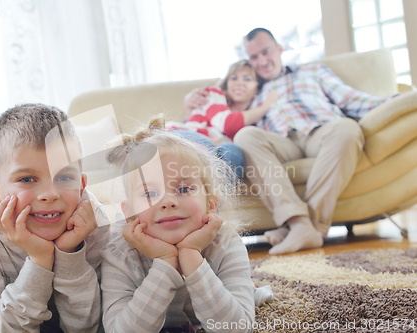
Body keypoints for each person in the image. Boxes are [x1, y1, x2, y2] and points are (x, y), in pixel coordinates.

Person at [184, 28, 396, 255]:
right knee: (245, 135)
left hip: (322, 131)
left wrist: (396, 101)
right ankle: (300, 225)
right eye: (254, 57)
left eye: (266, 52)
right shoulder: (251, 88)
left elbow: (352, 99)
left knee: (348, 128)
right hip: (281, 143)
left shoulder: (312, 71)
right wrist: (192, 99)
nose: (262, 61)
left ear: (279, 49)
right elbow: (222, 107)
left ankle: (301, 227)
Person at [0, 104, 111, 332]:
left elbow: (87, 327)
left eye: (63, 177)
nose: (50, 194)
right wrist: (40, 259)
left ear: (81, 186)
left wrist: (70, 255)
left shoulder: (92, 221)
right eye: (27, 179)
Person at [100, 115, 273, 332]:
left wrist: (191, 255)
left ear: (211, 204)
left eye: (183, 189)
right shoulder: (119, 256)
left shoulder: (226, 243)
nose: (168, 202)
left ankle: (247, 292)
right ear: (130, 214)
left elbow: (236, 329)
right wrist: (165, 263)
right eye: (151, 193)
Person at [168, 59, 278, 178]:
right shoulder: (213, 94)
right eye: (234, 78)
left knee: (232, 152)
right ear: (227, 83)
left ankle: (219, 195)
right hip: (181, 135)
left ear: (257, 88)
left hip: (215, 148)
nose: (239, 83)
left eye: (247, 79)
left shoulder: (254, 122)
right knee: (207, 144)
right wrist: (265, 106)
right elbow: (227, 123)